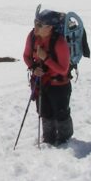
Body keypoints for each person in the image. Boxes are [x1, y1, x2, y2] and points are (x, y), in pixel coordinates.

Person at [23, 8, 75, 146]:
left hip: (59, 85)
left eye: (40, 25)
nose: (36, 27)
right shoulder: (32, 36)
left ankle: (65, 141)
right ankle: (49, 139)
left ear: (50, 28)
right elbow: (26, 56)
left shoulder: (60, 43)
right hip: (41, 83)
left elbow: (63, 70)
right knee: (44, 112)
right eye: (35, 22)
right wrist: (34, 68)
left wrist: (45, 58)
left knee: (61, 114)